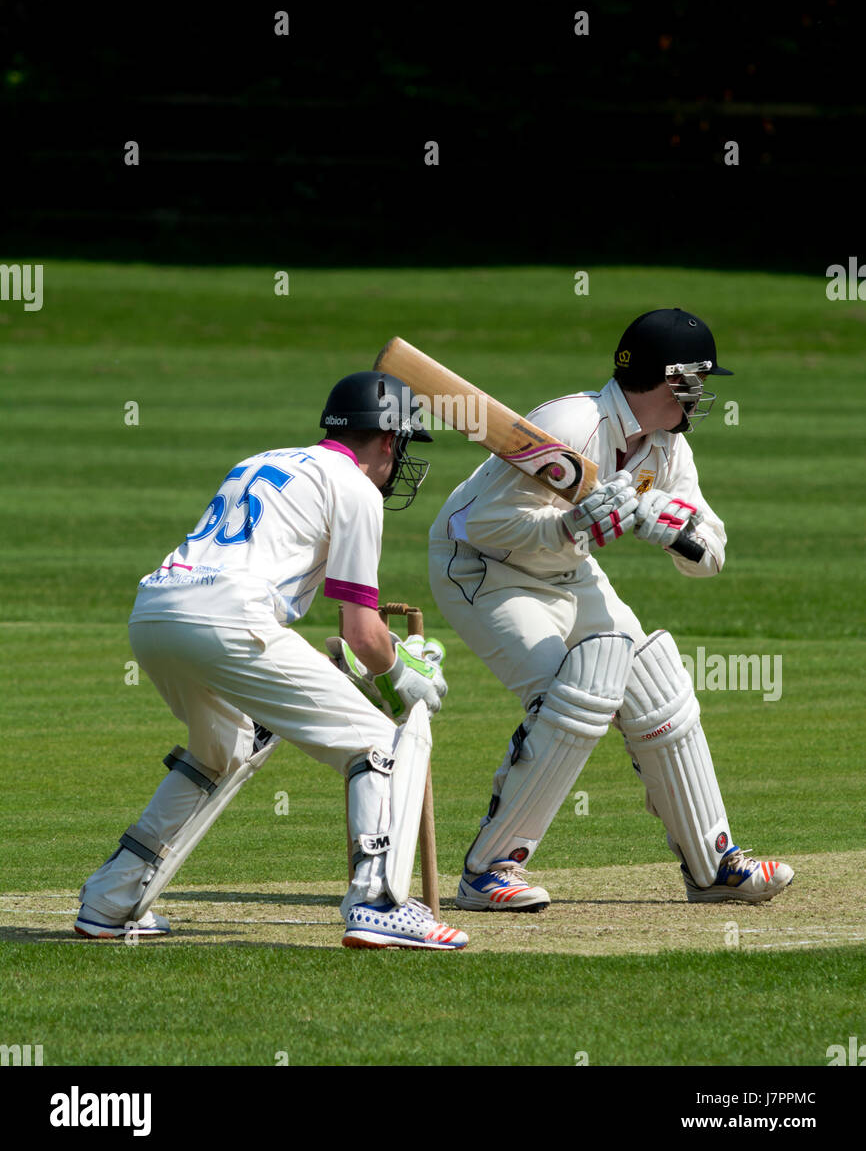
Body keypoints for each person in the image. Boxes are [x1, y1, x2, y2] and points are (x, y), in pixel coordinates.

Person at [75, 371, 468, 950]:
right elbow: (361, 632)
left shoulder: (262, 460)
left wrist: (367, 667)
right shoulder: (356, 488)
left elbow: (338, 640)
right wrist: (405, 673)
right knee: (378, 743)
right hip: (229, 619)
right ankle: (377, 903)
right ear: (389, 441)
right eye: (402, 446)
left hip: (155, 612)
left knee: (223, 749)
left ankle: (110, 900)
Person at [428, 308, 793, 912]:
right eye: (696, 381)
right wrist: (571, 522)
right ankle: (489, 871)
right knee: (578, 691)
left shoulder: (666, 451)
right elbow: (478, 522)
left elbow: (711, 554)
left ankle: (713, 866)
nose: (701, 397)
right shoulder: (571, 423)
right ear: (668, 379)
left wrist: (666, 525)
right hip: (482, 571)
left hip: (565, 571)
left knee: (656, 685)